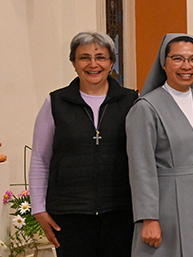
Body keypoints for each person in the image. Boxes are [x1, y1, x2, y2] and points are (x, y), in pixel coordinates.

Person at [30, 32, 137, 257]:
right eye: (84, 57)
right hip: (69, 214)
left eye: (101, 57)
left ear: (111, 63)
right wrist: (38, 208)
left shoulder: (132, 102)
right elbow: (40, 158)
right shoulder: (55, 102)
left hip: (121, 211)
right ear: (74, 63)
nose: (93, 64)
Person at [127, 34, 193, 257]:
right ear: (164, 63)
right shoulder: (146, 108)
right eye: (178, 59)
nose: (187, 66)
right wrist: (149, 218)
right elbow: (141, 168)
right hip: (167, 208)